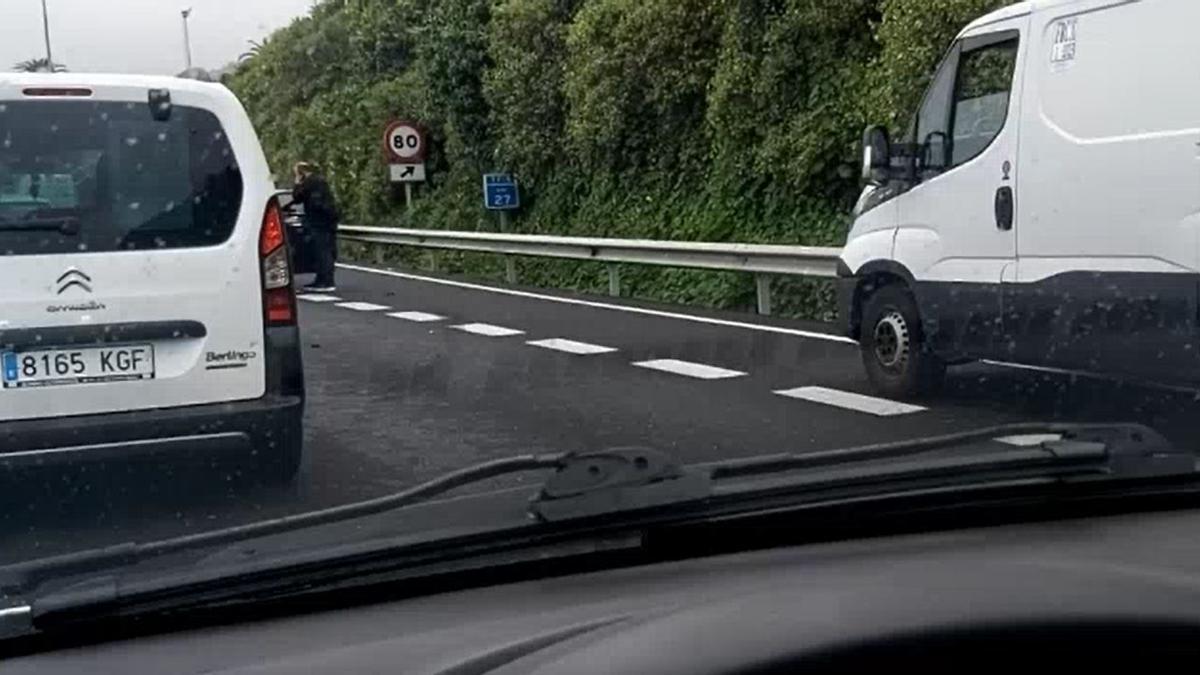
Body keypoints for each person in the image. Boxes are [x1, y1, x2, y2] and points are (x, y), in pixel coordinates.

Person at [292, 161, 340, 292]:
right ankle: (323, 280)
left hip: (318, 221)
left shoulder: (310, 182)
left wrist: (297, 182)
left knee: (322, 251)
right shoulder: (319, 181)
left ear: (301, 172)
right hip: (328, 219)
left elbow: (297, 197)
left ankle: (325, 282)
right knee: (326, 249)